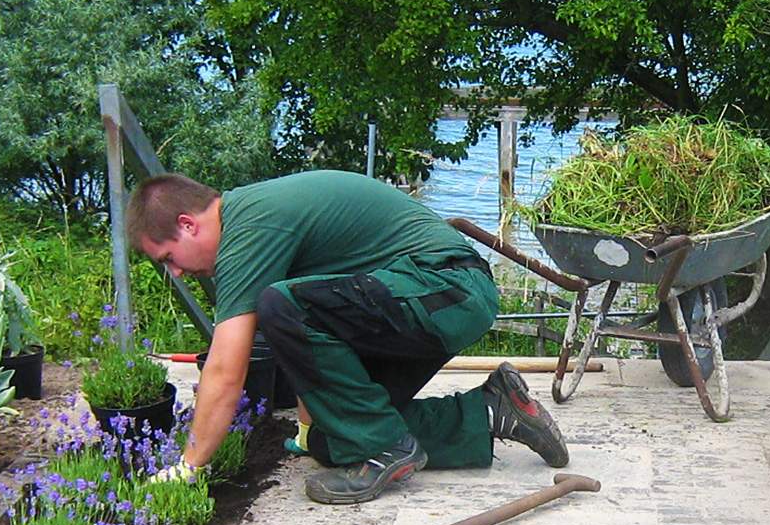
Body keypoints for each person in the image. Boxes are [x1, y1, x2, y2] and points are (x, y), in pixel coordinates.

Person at [125, 170, 568, 505]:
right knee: (335, 441)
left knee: (278, 305)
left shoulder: (248, 228)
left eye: (168, 258)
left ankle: (387, 446)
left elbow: (225, 369)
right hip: (420, 299)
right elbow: (312, 329)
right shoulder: (255, 218)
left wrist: (188, 467)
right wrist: (308, 427)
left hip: (446, 289)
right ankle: (491, 411)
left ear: (188, 225)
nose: (177, 272)